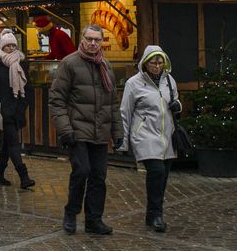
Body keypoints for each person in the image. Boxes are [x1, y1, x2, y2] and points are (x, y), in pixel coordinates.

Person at [49, 24, 120, 236]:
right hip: (77, 129)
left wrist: (118, 133)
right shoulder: (69, 63)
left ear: (101, 41)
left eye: (97, 40)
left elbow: (112, 104)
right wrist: (65, 129)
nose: (93, 43)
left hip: (100, 131)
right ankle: (71, 213)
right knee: (82, 171)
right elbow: (57, 100)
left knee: (99, 176)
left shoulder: (106, 66)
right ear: (82, 39)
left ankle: (94, 219)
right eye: (89, 39)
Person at [120, 45, 181, 233]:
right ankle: (156, 215)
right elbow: (125, 111)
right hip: (145, 134)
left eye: (160, 61)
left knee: (163, 176)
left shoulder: (169, 80)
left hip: (166, 135)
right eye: (153, 62)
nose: (157, 65)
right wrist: (123, 141)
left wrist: (177, 106)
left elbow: (176, 101)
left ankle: (152, 213)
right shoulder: (134, 83)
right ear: (145, 63)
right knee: (156, 172)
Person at [0, 30, 35, 189]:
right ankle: (24, 176)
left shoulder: (21, 63)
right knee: (13, 142)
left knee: (7, 143)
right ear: (2, 46)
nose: (11, 48)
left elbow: (27, 86)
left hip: (17, 108)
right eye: (8, 45)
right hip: (4, 110)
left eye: (14, 45)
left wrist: (24, 104)